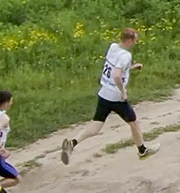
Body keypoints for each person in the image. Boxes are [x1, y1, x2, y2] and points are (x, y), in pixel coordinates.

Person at [61, 28, 152, 164]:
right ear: (129, 40)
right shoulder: (126, 56)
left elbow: (114, 68)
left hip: (104, 93)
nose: (136, 43)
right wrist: (123, 92)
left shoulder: (113, 47)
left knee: (96, 125)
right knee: (134, 122)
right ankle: (142, 150)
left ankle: (72, 143)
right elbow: (116, 75)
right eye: (135, 40)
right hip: (116, 97)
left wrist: (131, 67)